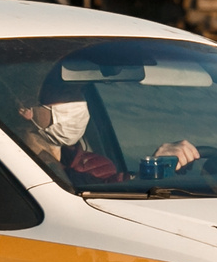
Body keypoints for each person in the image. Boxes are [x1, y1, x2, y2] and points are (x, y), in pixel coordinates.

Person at [12, 80, 202, 187]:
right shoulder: (10, 159)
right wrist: (151, 167)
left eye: (77, 97)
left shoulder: (94, 165)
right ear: (27, 111)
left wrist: (151, 173)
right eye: (64, 95)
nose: (76, 105)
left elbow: (111, 192)